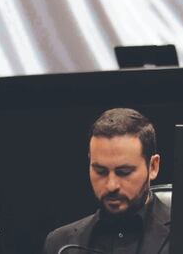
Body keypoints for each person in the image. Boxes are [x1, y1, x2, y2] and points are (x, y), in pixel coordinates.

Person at [44, 108, 170, 254]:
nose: (111, 185)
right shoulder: (60, 244)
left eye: (124, 172)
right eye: (100, 171)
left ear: (153, 166)